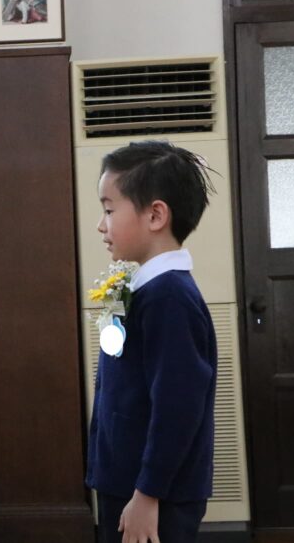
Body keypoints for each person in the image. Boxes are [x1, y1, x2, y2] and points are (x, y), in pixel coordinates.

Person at [87, 140, 217, 543]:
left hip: (151, 493)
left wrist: (147, 493)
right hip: (128, 480)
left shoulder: (169, 298)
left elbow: (179, 405)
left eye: (110, 210)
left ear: (156, 215)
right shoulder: (148, 288)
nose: (101, 225)